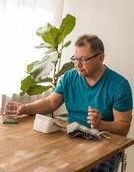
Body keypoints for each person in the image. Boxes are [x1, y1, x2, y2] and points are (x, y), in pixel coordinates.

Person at [3, 34, 133, 172]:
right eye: (75, 59)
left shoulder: (119, 85)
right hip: (71, 138)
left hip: (105, 145)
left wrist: (101, 124)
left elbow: (123, 127)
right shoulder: (70, 77)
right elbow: (50, 102)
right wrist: (24, 108)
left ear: (100, 58)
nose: (77, 64)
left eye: (83, 59)